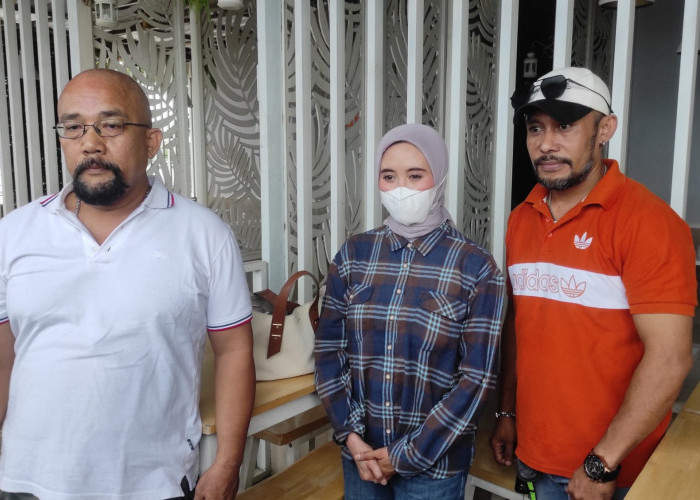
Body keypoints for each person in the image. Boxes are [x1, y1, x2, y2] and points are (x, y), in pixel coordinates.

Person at [0, 69, 255, 500]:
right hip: (28, 480)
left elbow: (234, 351)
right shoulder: (14, 232)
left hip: (153, 483)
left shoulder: (204, 234)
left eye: (111, 125)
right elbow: (4, 358)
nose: (90, 143)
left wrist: (229, 463)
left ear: (151, 142)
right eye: (73, 127)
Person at [491, 66, 697, 500]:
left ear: (605, 129)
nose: (546, 144)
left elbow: (670, 359)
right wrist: (506, 412)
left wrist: (602, 462)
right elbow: (519, 323)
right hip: (533, 453)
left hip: (611, 471)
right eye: (535, 128)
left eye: (564, 126)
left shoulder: (649, 223)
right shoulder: (522, 218)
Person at [314, 123, 505, 499]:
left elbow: (477, 378)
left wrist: (405, 455)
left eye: (415, 175)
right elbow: (328, 351)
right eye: (389, 176)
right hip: (361, 456)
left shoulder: (475, 267)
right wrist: (350, 435)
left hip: (434, 468)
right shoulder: (354, 255)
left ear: (440, 177)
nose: (400, 188)